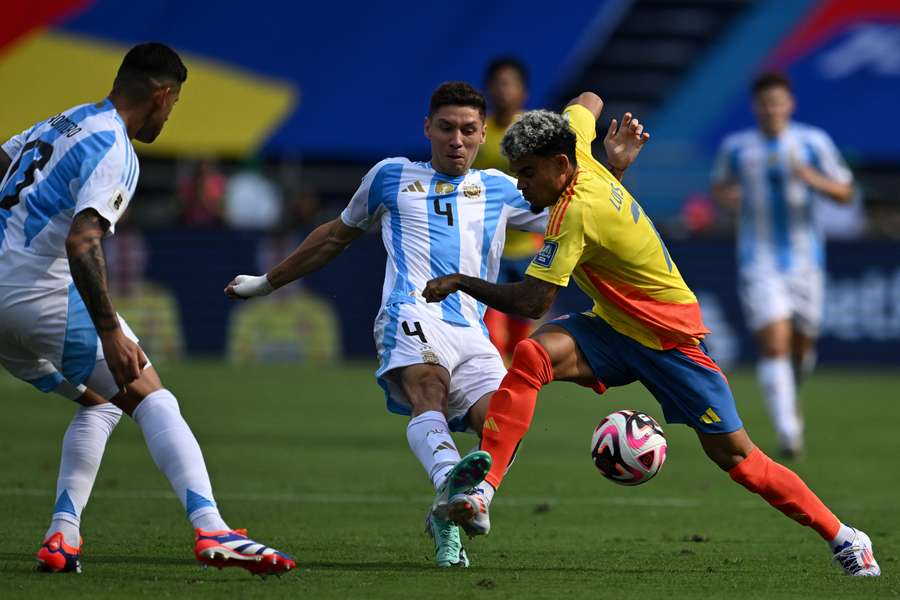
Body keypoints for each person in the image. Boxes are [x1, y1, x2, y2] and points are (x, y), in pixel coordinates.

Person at [422, 96, 880, 577]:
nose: (521, 185)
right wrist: (609, 159)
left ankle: (846, 537)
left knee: (741, 460)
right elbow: (587, 102)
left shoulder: (574, 213)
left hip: (670, 342)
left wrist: (459, 281)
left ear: (560, 165)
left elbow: (533, 303)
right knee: (533, 354)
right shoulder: (575, 142)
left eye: (528, 173)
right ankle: (482, 492)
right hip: (616, 327)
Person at [224, 82, 648, 568]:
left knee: (501, 423)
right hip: (410, 312)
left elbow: (580, 211)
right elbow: (333, 237)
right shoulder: (389, 177)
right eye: (446, 128)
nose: (457, 140)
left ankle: (447, 513)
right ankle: (451, 477)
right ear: (427, 128)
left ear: (482, 132)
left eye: (469, 130)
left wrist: (612, 169)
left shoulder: (500, 188)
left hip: (472, 330)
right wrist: (266, 283)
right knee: (429, 387)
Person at [0, 43, 294, 576]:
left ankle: (62, 535)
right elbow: (83, 244)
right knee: (150, 394)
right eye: (174, 104)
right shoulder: (116, 147)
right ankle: (212, 528)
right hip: (34, 291)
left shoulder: (65, 121)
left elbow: (4, 163)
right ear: (161, 96)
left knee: (101, 402)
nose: (169, 115)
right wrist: (111, 330)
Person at [711, 72, 854, 458]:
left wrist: (812, 179)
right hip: (758, 261)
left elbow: (845, 191)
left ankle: (790, 396)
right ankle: (789, 432)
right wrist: (729, 198)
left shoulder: (812, 143)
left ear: (790, 104)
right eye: (764, 103)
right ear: (755, 107)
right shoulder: (738, 148)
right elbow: (720, 186)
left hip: (807, 263)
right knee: (774, 343)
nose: (771, 109)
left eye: (778, 101)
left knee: (802, 347)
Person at [472, 57, 542, 361]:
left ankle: (519, 391)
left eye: (509, 84)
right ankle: (493, 396)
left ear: (523, 92)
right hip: (489, 247)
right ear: (487, 89)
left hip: (528, 245)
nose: (503, 91)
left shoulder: (532, 129)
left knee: (521, 339)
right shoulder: (476, 133)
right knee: (491, 334)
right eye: (497, 84)